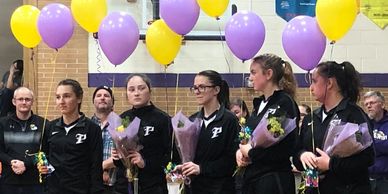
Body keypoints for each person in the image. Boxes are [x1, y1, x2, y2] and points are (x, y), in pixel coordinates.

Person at [294, 61, 375, 194]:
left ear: (329, 83)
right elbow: (297, 149)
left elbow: (368, 157)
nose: (310, 88)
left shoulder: (354, 115)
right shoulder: (311, 117)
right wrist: (302, 155)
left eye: (314, 81)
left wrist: (331, 164)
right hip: (314, 188)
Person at [237, 54, 300, 194]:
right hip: (253, 177)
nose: (250, 77)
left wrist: (251, 153)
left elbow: (282, 149)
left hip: (273, 180)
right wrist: (240, 152)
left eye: (253, 72)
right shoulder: (258, 104)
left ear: (269, 74)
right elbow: (247, 136)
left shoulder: (284, 103)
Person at [178, 70, 239, 194]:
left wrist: (201, 168)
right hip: (195, 188)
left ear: (216, 90)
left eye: (202, 87)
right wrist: (184, 166)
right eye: (194, 88)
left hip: (220, 188)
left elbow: (231, 160)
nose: (197, 91)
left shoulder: (229, 120)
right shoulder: (193, 120)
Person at [39, 79, 104, 194]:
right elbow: (43, 155)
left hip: (81, 189)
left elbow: (96, 165)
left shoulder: (92, 128)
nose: (61, 101)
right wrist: (41, 166)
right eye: (58, 97)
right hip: (54, 190)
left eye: (67, 96)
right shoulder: (50, 127)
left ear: (79, 98)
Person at [112, 73, 172, 194]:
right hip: (125, 186)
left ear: (149, 91)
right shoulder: (123, 118)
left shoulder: (163, 119)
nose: (136, 93)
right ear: (127, 94)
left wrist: (145, 163)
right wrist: (117, 157)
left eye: (141, 88)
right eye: (131, 89)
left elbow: (171, 158)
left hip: (153, 186)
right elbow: (119, 160)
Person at [0, 87, 46, 194]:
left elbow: (45, 152)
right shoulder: (2, 124)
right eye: (20, 99)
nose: (24, 102)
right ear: (14, 101)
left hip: (35, 183)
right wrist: (11, 161)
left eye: (27, 99)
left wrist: (26, 163)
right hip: (8, 183)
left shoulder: (43, 124)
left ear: (32, 102)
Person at [91, 86, 122, 194]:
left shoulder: (121, 124)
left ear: (112, 102)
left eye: (106, 96)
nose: (102, 98)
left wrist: (102, 167)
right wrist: (101, 171)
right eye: (99, 96)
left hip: (116, 186)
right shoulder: (86, 126)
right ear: (93, 102)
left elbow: (124, 154)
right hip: (91, 185)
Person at [363, 91, 388, 194]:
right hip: (365, 179)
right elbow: (357, 145)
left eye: (372, 103)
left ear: (382, 104)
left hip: (384, 180)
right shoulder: (363, 123)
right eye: (366, 104)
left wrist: (369, 144)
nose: (369, 106)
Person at [229, 97, 250, 194]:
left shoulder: (248, 130)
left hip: (246, 174)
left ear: (244, 112)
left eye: (236, 112)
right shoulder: (226, 130)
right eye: (231, 113)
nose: (233, 116)